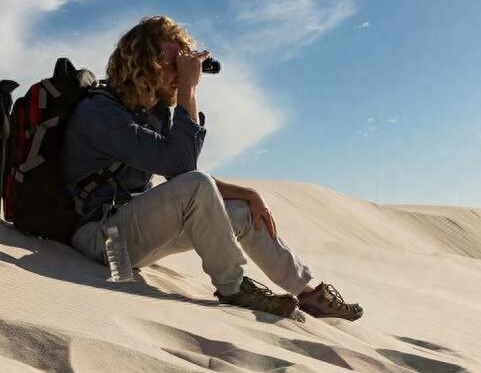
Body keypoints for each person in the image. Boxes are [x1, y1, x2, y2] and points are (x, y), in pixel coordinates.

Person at [64, 16, 362, 321]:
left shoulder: (151, 113)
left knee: (240, 210)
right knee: (199, 186)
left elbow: (182, 174)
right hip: (102, 242)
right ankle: (233, 288)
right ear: (141, 62)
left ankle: (309, 293)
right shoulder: (100, 112)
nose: (178, 73)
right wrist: (188, 91)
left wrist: (247, 194)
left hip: (133, 240)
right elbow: (186, 170)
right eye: (171, 64)